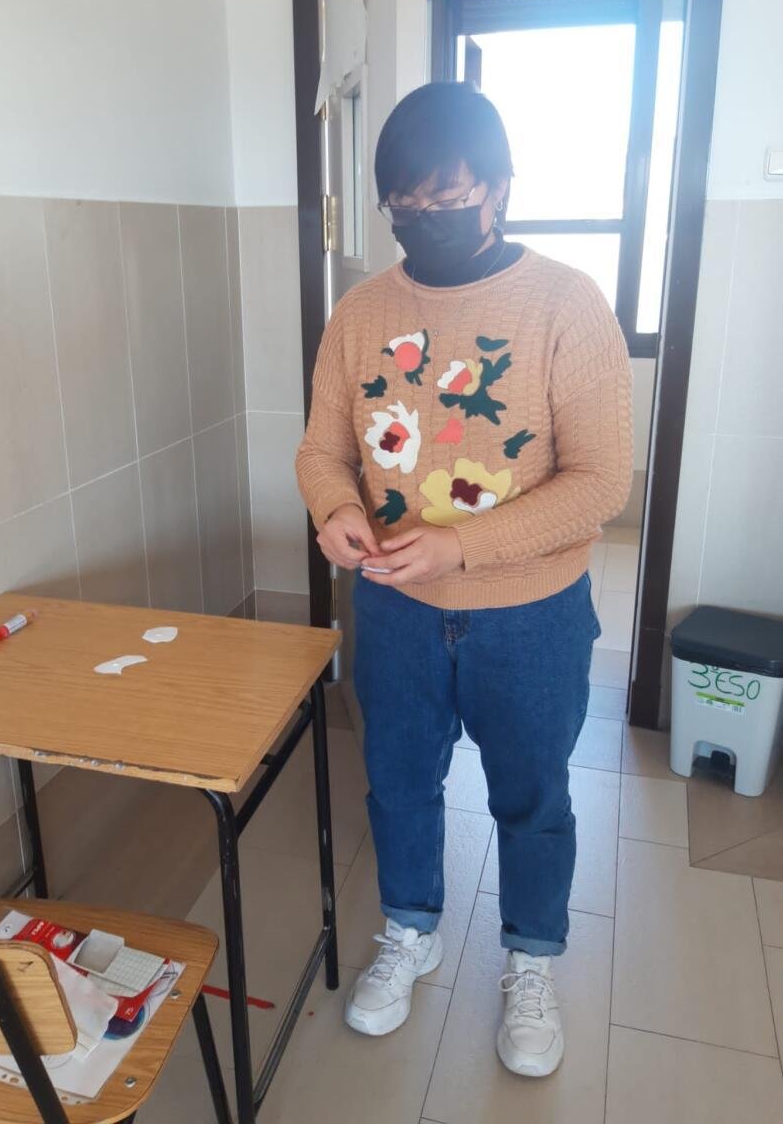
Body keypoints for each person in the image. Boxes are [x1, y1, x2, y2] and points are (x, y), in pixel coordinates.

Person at [296, 81, 632, 1078]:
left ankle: (531, 956)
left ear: (498, 188)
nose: (425, 218)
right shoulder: (361, 312)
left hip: (530, 616)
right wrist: (337, 509)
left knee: (531, 796)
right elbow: (321, 449)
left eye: (447, 197)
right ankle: (411, 930)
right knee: (400, 784)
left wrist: (461, 547)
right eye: (404, 202)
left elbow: (601, 482)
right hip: (395, 609)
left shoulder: (566, 303)